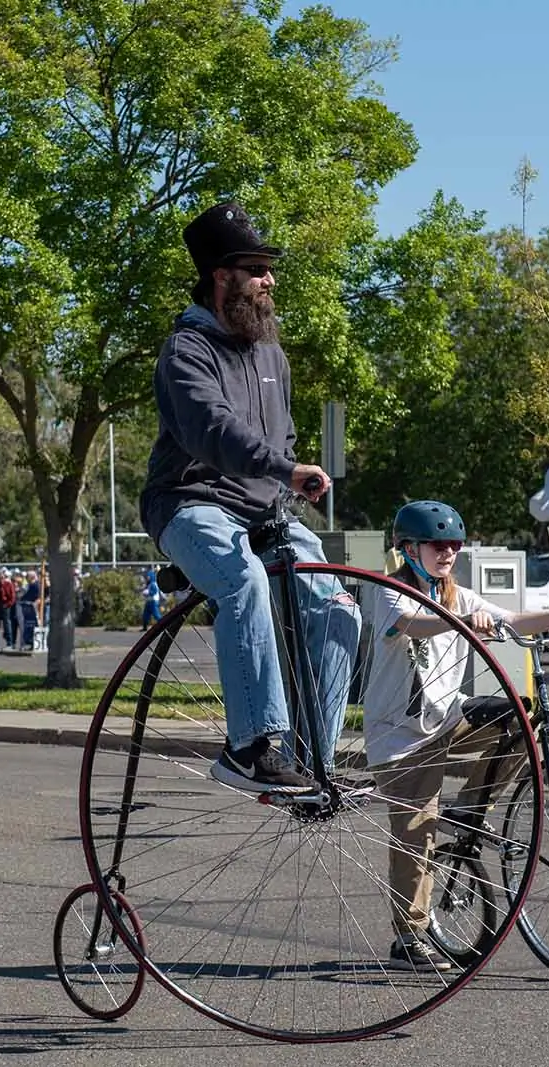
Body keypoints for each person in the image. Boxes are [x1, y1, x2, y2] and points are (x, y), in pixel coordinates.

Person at [139, 200, 356, 794]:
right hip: (190, 502)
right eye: (258, 267)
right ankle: (252, 748)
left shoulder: (271, 355)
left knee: (338, 605)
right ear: (221, 276)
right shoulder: (186, 353)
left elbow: (279, 434)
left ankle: (312, 764)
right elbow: (214, 433)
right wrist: (285, 468)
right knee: (244, 581)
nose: (270, 280)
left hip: (263, 513)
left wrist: (285, 480)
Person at [365, 501, 549, 971]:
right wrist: (458, 622)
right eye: (438, 545)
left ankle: (469, 811)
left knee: (518, 720)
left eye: (455, 544)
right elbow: (413, 624)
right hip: (401, 739)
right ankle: (408, 941)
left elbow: (513, 619)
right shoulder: (390, 591)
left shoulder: (459, 596)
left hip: (447, 722)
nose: (448, 552)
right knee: (416, 836)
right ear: (409, 549)